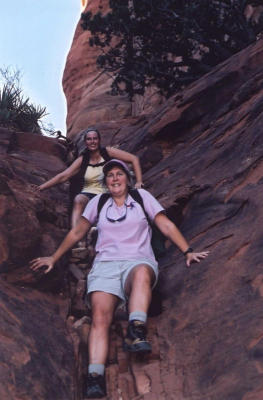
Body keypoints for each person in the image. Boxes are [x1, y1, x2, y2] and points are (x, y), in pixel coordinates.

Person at [30, 159, 209, 399]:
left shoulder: (142, 197)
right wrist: (54, 257)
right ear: (106, 182)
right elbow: (77, 231)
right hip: (105, 266)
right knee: (100, 317)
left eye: (119, 174)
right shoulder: (98, 202)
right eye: (110, 176)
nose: (115, 178)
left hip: (137, 260)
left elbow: (164, 224)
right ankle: (95, 377)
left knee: (143, 273)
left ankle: (136, 330)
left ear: (128, 178)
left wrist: (188, 251)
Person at [35, 127, 143, 229]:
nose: (92, 141)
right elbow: (63, 176)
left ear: (99, 140)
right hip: (89, 193)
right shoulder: (83, 160)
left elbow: (134, 159)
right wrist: (41, 187)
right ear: (85, 142)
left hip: (108, 192)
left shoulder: (107, 152)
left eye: (95, 138)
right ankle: (77, 240)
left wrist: (139, 181)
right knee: (78, 199)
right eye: (89, 139)